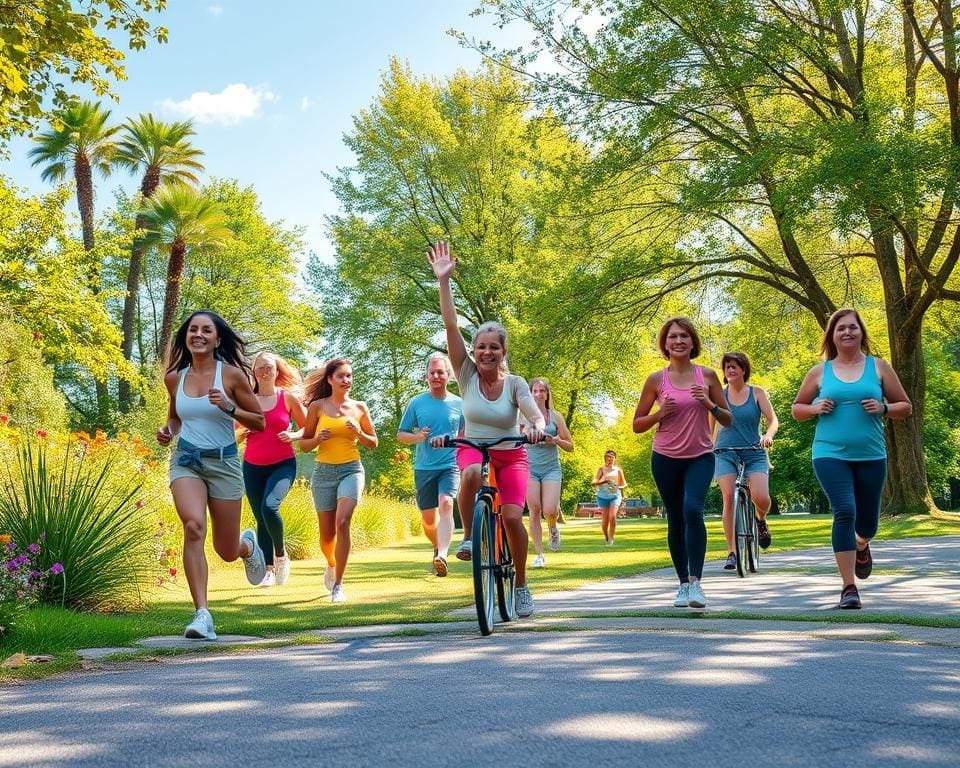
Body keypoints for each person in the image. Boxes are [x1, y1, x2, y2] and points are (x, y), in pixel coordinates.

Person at [427, 240, 545, 618]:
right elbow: (449, 324)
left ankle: (522, 584)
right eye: (481, 347)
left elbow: (534, 413)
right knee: (473, 473)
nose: (486, 353)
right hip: (474, 447)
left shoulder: (516, 383)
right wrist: (444, 281)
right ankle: (466, 537)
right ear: (474, 351)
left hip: (511, 453)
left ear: (503, 351)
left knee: (512, 517)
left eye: (494, 347)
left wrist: (537, 427)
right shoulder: (465, 374)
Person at [156, 310, 267, 640]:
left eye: (206, 330)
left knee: (226, 550)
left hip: (224, 465)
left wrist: (230, 408)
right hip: (187, 460)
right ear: (185, 337)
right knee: (193, 526)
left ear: (218, 339)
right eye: (193, 329)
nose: (199, 334)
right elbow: (175, 418)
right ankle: (202, 614)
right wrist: (168, 430)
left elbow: (259, 422)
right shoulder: (175, 377)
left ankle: (247, 546)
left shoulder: (231, 375)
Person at [791, 308, 911, 609]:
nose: (847, 332)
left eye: (852, 327)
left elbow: (905, 406)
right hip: (829, 453)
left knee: (868, 523)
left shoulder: (879, 367)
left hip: (871, 454)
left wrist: (884, 408)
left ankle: (862, 544)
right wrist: (815, 407)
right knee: (844, 510)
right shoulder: (819, 372)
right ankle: (848, 588)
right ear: (832, 335)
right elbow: (797, 410)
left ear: (861, 332)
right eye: (840, 328)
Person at [633, 316, 732, 609]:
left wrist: (709, 404)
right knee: (676, 517)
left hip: (700, 455)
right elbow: (637, 424)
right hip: (664, 457)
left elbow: (727, 418)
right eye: (673, 337)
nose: (678, 341)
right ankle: (682, 585)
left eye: (684, 337)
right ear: (665, 343)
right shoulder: (656, 380)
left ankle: (697, 583)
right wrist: (659, 414)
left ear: (693, 343)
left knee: (693, 510)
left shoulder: (708, 376)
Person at [300, 357, 378, 603]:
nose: (347, 380)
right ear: (329, 380)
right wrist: (316, 440)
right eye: (342, 376)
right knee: (326, 538)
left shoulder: (360, 408)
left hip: (351, 470)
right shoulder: (317, 407)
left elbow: (373, 443)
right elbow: (303, 445)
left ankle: (339, 585)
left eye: (349, 376)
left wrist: (360, 432)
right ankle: (332, 563)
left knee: (342, 521)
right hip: (323, 473)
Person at [240, 352, 308, 587]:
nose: (265, 371)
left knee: (270, 508)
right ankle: (268, 569)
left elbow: (307, 428)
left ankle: (281, 554)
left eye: (269, 367)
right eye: (260, 368)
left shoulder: (287, 398)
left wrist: (293, 434)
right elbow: (233, 433)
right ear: (254, 373)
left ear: (277, 372)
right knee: (260, 516)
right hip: (252, 466)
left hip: (282, 464)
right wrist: (241, 434)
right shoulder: (246, 400)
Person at [397, 353, 464, 576]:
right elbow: (401, 435)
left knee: (446, 504)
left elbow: (466, 434)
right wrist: (418, 437)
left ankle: (442, 554)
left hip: (450, 465)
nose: (436, 376)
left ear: (448, 376)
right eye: (432, 372)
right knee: (427, 520)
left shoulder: (459, 404)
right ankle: (436, 546)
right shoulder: (416, 403)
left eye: (441, 372)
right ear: (426, 376)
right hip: (424, 468)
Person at [714, 351, 779, 571]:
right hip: (724, 452)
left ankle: (760, 520)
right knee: (728, 497)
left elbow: (773, 420)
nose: (730, 369)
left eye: (735, 366)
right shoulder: (718, 396)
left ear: (743, 369)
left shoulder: (757, 393)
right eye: (727, 367)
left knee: (761, 497)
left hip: (754, 451)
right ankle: (731, 552)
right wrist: (707, 448)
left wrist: (768, 435)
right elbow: (709, 427)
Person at [522, 377, 574, 566]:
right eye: (534, 391)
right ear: (530, 393)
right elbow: (512, 439)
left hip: (551, 468)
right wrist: (525, 434)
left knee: (550, 510)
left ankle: (553, 526)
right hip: (529, 468)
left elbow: (570, 446)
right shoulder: (522, 416)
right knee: (534, 509)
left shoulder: (556, 417)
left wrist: (556, 440)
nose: (538, 394)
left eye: (541, 391)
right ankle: (539, 555)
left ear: (547, 394)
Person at [591, 450, 627, 546]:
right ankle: (606, 537)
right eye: (608, 457)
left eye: (612, 457)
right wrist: (604, 482)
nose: (610, 459)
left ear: (615, 458)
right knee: (605, 519)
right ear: (605, 458)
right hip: (602, 496)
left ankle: (611, 539)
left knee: (612, 516)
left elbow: (623, 484)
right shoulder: (601, 469)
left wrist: (618, 486)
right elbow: (594, 483)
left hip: (615, 496)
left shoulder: (618, 470)